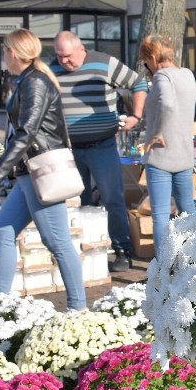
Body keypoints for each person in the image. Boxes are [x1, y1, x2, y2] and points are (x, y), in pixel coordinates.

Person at [0, 28, 86, 310]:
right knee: (2, 231)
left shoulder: (35, 83)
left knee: (57, 242)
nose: (3, 55)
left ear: (12, 53)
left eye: (4, 50)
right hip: (30, 172)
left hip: (42, 172)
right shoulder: (27, 80)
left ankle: (78, 309)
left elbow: (26, 132)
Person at [51, 31, 148, 272]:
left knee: (112, 198)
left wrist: (136, 116)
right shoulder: (52, 68)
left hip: (102, 144)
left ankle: (122, 249)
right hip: (69, 148)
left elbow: (139, 83)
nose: (64, 61)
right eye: (60, 56)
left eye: (68, 56)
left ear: (81, 48)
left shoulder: (104, 63)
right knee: (75, 201)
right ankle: (82, 250)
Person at [138, 35, 196, 256]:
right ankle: (194, 257)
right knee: (188, 210)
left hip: (162, 155)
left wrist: (156, 133)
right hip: (184, 153)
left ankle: (162, 266)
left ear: (153, 58)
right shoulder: (188, 75)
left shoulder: (162, 76)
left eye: (146, 63)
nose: (148, 68)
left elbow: (167, 103)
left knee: (161, 215)